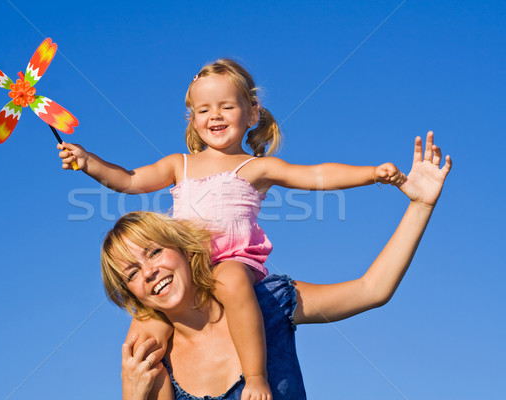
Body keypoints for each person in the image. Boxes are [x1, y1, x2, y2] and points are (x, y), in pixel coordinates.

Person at [59, 59, 405, 398]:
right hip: (188, 266)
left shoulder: (255, 167)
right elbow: (130, 180)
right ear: (192, 120)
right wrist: (89, 162)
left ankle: (254, 377)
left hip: (233, 261)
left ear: (252, 113)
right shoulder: (178, 164)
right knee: (142, 336)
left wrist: (372, 173)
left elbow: (315, 175)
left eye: (226, 106)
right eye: (204, 110)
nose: (215, 116)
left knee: (230, 279)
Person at [101, 132, 452, 400]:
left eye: (153, 252)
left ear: (182, 247)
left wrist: (420, 205)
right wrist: (134, 393)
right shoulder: (153, 361)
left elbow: (371, 290)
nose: (148, 272)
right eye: (131, 273)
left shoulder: (269, 301)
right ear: (130, 292)